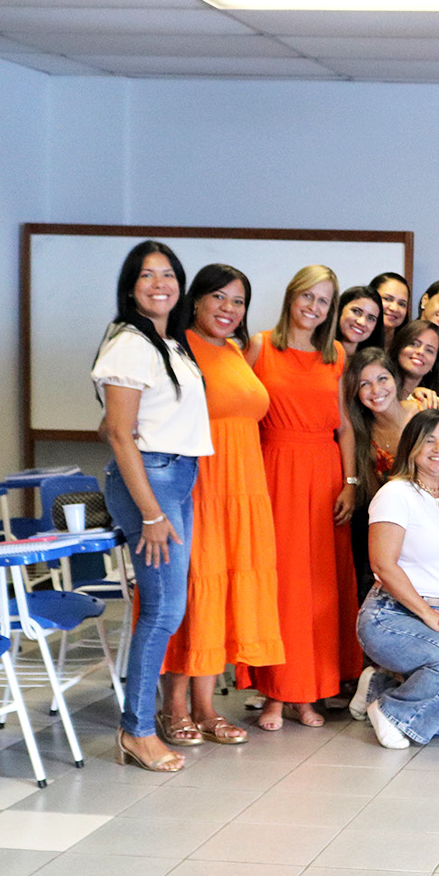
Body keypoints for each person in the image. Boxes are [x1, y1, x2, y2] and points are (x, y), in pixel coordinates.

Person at [93, 240, 213, 772]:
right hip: (153, 481)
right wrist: (150, 513)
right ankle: (136, 731)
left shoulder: (169, 342)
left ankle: (138, 725)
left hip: (176, 475)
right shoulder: (128, 343)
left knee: (168, 607)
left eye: (169, 274)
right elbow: (120, 434)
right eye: (147, 275)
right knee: (163, 609)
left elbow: (113, 424)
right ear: (130, 286)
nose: (160, 284)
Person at [157, 263, 282, 749]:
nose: (229, 309)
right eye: (219, 297)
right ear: (196, 299)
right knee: (193, 591)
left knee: (223, 592)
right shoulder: (177, 347)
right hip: (200, 487)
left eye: (239, 301)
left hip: (243, 489)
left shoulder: (233, 351)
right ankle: (173, 708)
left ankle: (206, 708)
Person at [244, 263, 361, 730]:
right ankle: (276, 694)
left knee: (319, 591)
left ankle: (309, 693)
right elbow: (240, 414)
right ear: (292, 296)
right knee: (282, 587)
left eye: (323, 300)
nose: (314, 306)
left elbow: (345, 426)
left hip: (324, 475)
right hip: (274, 473)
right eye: (307, 296)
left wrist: (350, 483)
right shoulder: (259, 346)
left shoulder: (336, 354)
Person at [354, 412, 439, 749]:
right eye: (429, 440)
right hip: (391, 615)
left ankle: (379, 685)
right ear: (411, 447)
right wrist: (428, 614)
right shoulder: (396, 494)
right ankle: (389, 710)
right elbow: (382, 565)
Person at [343, 348, 421, 602]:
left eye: (382, 379)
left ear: (395, 379)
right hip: (387, 531)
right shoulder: (360, 433)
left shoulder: (422, 413)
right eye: (364, 384)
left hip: (424, 526)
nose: (375, 390)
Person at [392, 318, 439, 403]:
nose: (420, 352)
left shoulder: (430, 401)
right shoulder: (378, 387)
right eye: (414, 344)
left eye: (429, 350)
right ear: (399, 347)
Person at [331, 284, 385, 359]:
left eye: (371, 318)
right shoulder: (316, 350)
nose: (362, 322)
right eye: (356, 311)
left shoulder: (374, 363)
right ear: (340, 309)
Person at [370, 271, 411, 345]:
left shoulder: (409, 345)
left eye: (401, 304)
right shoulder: (355, 338)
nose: (394, 308)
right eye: (387, 299)